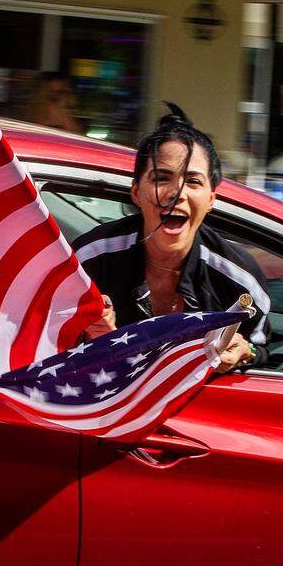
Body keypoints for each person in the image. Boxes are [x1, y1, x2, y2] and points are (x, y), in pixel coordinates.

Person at [71, 103, 270, 373]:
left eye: (193, 182)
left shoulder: (239, 279)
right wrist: (85, 336)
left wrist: (244, 351)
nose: (177, 194)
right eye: (161, 178)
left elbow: (260, 348)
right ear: (136, 192)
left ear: (212, 199)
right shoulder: (88, 262)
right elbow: (41, 349)